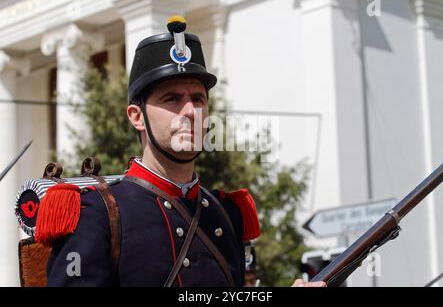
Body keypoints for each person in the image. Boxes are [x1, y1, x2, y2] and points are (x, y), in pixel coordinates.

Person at [43, 15, 325, 287]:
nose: (190, 111)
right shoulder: (96, 215)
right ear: (136, 116)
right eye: (172, 99)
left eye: (198, 99)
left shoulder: (226, 214)